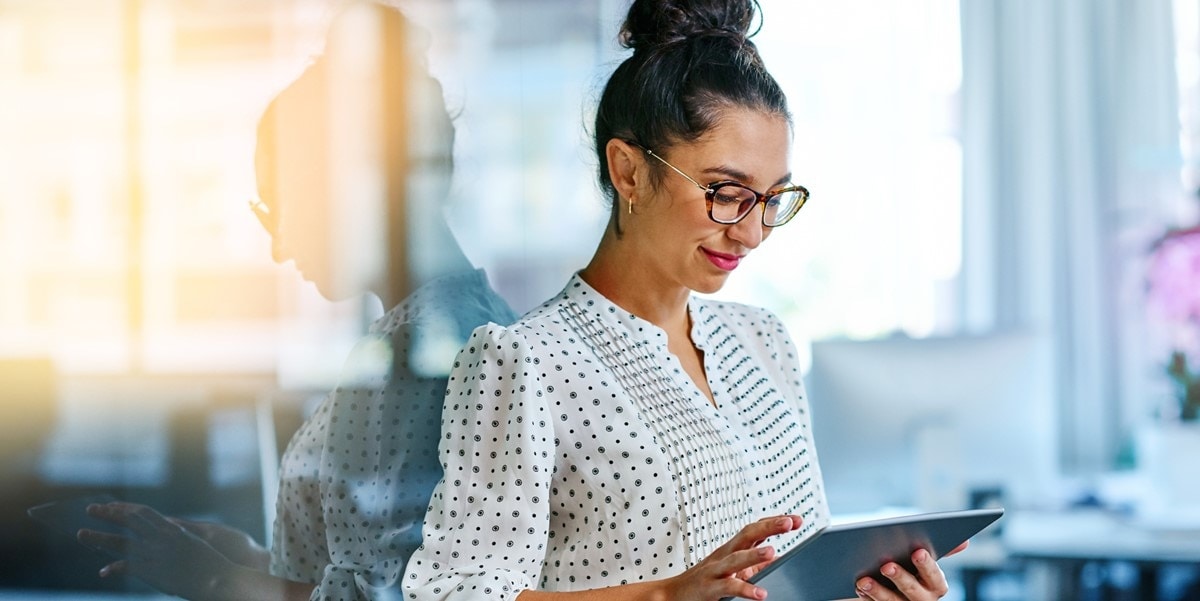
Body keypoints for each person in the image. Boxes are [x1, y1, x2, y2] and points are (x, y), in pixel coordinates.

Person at [401, 1, 962, 600]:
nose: (750, 231)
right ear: (630, 173)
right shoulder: (523, 363)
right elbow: (453, 590)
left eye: (772, 198)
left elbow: (797, 577)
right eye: (726, 191)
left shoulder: (761, 340)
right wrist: (665, 595)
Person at [75, 3, 517, 600]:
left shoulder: (417, 364)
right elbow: (367, 566)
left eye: (277, 208)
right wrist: (252, 558)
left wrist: (214, 578)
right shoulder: (480, 323)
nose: (280, 246)